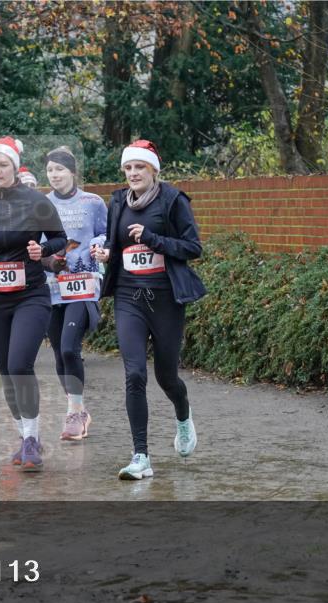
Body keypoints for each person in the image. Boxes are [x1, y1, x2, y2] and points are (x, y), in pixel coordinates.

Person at [92, 139, 205, 480]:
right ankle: (140, 456)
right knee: (135, 374)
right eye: (128, 168)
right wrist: (106, 253)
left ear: (153, 169)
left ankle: (183, 417)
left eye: (139, 167)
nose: (133, 174)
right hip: (129, 298)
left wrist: (154, 239)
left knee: (166, 376)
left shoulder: (172, 200)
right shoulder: (117, 202)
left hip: (166, 299)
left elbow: (192, 247)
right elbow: (117, 244)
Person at [0, 136, 67, 471]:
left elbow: (60, 238)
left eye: (2, 165)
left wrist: (43, 251)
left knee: (20, 365)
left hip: (30, 295)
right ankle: (24, 437)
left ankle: (32, 439)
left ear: (15, 167)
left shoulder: (37, 202)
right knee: (7, 373)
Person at [41, 146, 108, 441]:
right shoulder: (41, 204)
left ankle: (74, 412)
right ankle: (79, 411)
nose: (54, 175)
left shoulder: (93, 202)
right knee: (59, 352)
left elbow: (106, 233)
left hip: (84, 285)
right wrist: (49, 260)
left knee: (70, 347)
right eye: (50, 170)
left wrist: (100, 247)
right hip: (53, 287)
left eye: (60, 169)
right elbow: (37, 246)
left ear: (72, 172)